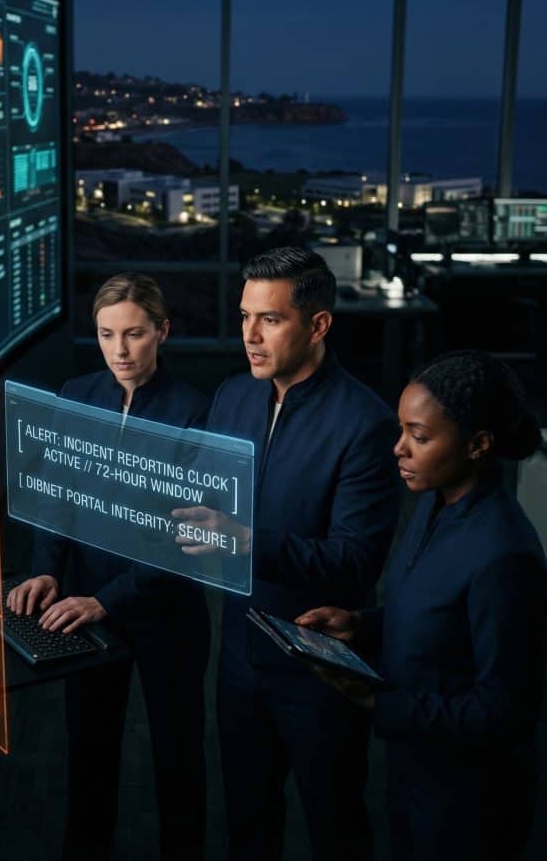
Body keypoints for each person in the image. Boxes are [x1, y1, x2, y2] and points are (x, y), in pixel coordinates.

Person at [175, 246, 402, 860]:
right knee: (247, 824)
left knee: (336, 826)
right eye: (245, 315)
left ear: (318, 325)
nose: (249, 335)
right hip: (240, 658)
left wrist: (245, 541)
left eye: (269, 319)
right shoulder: (232, 396)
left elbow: (354, 563)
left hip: (318, 670)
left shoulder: (366, 423)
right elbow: (198, 494)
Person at [296, 350, 546, 861]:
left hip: (469, 801)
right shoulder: (434, 500)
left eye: (420, 437)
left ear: (477, 445)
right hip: (416, 771)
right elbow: (438, 617)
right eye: (402, 431)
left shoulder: (505, 555)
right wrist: (361, 625)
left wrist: (376, 702)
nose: (398, 450)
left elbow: (504, 714)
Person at [7, 273, 210, 861]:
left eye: (135, 334)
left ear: (162, 332)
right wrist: (47, 568)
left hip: (164, 615)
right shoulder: (77, 393)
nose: (120, 350)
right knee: (89, 755)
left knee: (177, 760)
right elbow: (58, 497)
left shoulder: (194, 412)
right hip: (86, 609)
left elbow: (181, 536)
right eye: (106, 334)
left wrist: (107, 599)